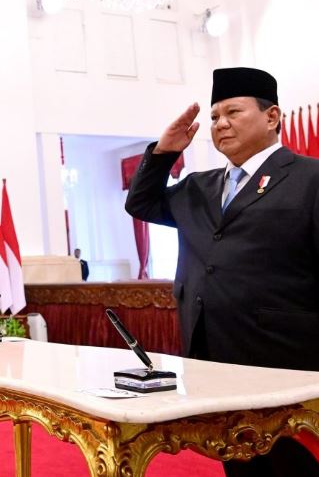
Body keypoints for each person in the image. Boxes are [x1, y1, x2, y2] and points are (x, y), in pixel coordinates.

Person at [125, 67, 319, 477]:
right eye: (214, 117)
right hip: (213, 357)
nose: (220, 124)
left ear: (272, 117)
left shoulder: (309, 179)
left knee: (292, 467)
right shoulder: (200, 186)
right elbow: (140, 204)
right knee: (240, 465)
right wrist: (163, 153)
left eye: (233, 112)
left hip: (286, 363)